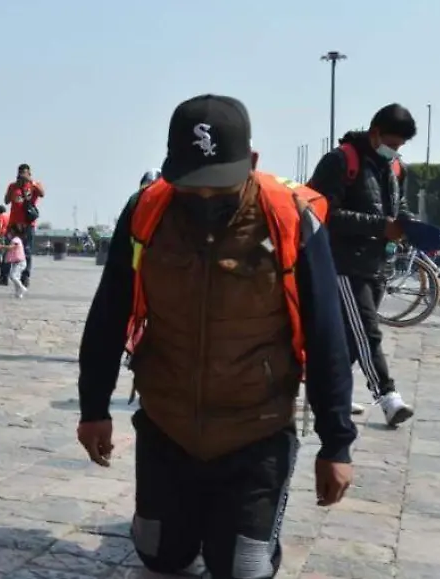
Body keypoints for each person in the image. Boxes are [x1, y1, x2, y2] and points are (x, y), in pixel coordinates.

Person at [78, 94, 357, 579]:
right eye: (192, 185)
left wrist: (337, 444)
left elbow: (327, 333)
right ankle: (190, 517)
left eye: (218, 185)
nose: (205, 198)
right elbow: (108, 313)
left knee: (243, 569)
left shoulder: (289, 218)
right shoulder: (146, 212)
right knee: (159, 556)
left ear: (251, 162)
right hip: (168, 426)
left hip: (256, 430)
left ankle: (241, 520)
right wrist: (93, 409)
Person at [307, 104, 417, 426]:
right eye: (391, 144)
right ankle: (388, 396)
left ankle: (330, 394)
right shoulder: (341, 161)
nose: (394, 152)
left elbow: (400, 206)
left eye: (400, 148)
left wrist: (408, 224)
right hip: (343, 263)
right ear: (375, 133)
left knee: (348, 340)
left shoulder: (396, 168)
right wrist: (380, 226)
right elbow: (323, 212)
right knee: (367, 332)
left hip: (378, 263)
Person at [0, 164, 44, 288]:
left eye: (24, 173)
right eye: (20, 173)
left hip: (28, 225)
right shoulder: (13, 186)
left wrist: (31, 182)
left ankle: (25, 277)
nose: (21, 175)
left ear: (29, 173)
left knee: (27, 251)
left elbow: (42, 193)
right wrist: (13, 188)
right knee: (8, 250)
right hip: (13, 224)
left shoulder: (34, 185)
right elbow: (6, 201)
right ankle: (3, 277)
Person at [2, 225, 27, 298]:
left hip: (20, 263)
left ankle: (22, 288)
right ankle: (18, 293)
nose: (8, 233)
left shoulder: (16, 240)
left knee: (13, 276)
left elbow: (12, 247)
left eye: (10, 231)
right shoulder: (16, 239)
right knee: (15, 277)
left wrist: (2, 246)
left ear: (13, 232)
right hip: (16, 262)